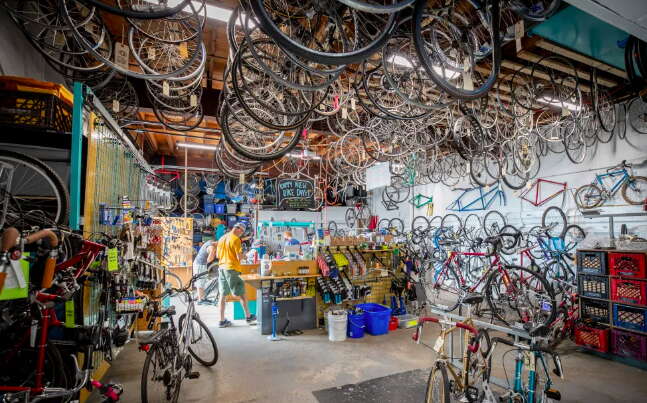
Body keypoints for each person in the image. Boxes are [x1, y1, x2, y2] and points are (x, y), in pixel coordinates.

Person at [217, 222, 256, 328]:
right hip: (232, 269)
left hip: (221, 268)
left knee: (222, 295)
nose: (242, 234)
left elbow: (217, 255)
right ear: (238, 229)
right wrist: (246, 256)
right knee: (242, 293)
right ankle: (248, 316)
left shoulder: (222, 238)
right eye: (242, 232)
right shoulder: (235, 239)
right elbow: (239, 257)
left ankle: (221, 320)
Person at [192, 239, 217, 305]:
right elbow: (209, 259)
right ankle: (200, 300)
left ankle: (200, 297)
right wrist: (214, 254)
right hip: (200, 265)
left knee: (202, 281)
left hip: (199, 263)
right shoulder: (212, 248)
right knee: (200, 281)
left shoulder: (210, 241)